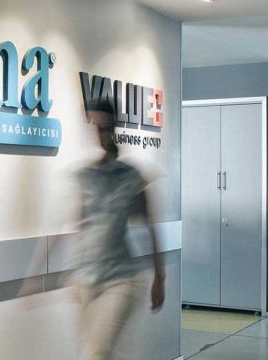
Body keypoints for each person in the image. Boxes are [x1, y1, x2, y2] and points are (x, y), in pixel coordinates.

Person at [74, 98, 165, 360]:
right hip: (88, 278)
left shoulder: (131, 176)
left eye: (103, 127)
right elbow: (81, 226)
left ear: (113, 128)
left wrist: (159, 278)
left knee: (97, 353)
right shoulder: (87, 176)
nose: (98, 133)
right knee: (98, 351)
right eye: (93, 126)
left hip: (121, 277)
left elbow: (151, 228)